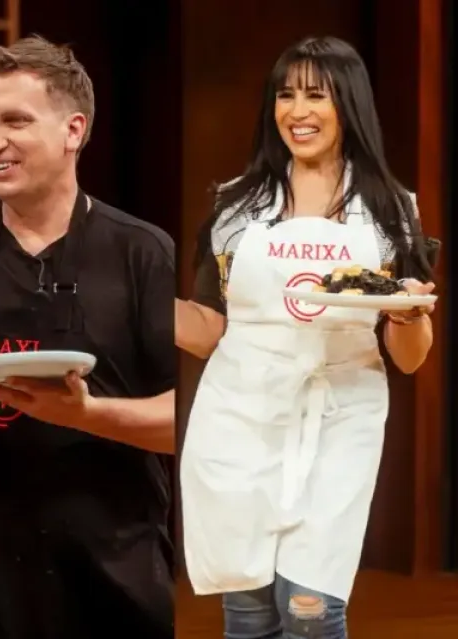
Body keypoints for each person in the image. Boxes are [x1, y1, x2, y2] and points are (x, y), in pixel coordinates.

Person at [0, 36, 176, 639]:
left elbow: (193, 424)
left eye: (15, 121)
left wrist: (86, 414)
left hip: (109, 579)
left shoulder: (143, 255)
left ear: (74, 131)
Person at [178, 36, 438, 639]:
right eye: (285, 95)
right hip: (241, 415)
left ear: (349, 104)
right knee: (248, 612)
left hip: (341, 415)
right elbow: (209, 328)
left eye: (316, 95)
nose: (297, 111)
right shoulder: (235, 207)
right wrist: (141, 306)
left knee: (311, 611)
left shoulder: (390, 210)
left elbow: (409, 357)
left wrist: (409, 316)